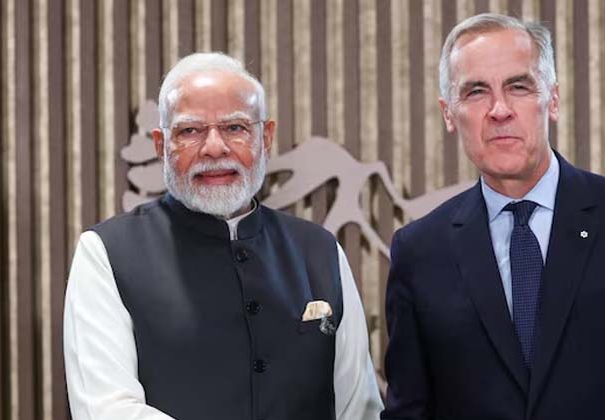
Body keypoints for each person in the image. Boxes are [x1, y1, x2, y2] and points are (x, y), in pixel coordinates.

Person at [382, 13, 605, 420]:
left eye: (518, 86)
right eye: (476, 92)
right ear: (449, 114)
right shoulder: (419, 252)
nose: (499, 110)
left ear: (552, 99)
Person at [63, 52, 383, 420]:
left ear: (265, 137)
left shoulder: (320, 251)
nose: (214, 147)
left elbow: (359, 408)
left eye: (235, 128)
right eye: (190, 131)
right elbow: (108, 410)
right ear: (160, 145)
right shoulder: (106, 253)